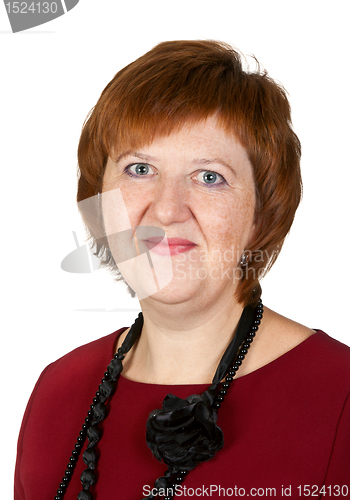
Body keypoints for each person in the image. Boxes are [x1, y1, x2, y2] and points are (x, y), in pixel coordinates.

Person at [15, 40, 350, 500]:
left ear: (261, 215)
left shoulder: (340, 395)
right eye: (139, 168)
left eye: (209, 176)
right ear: (100, 202)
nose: (167, 210)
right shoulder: (58, 391)